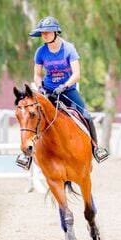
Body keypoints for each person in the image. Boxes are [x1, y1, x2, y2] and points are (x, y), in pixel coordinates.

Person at [27, 16, 108, 164]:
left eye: (47, 32)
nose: (44, 35)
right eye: (43, 33)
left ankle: (96, 148)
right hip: (47, 91)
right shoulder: (40, 52)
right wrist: (40, 88)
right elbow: (37, 75)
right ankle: (27, 155)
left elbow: (77, 74)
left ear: (56, 33)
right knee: (32, 115)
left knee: (87, 115)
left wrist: (64, 86)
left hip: (67, 90)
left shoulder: (68, 48)